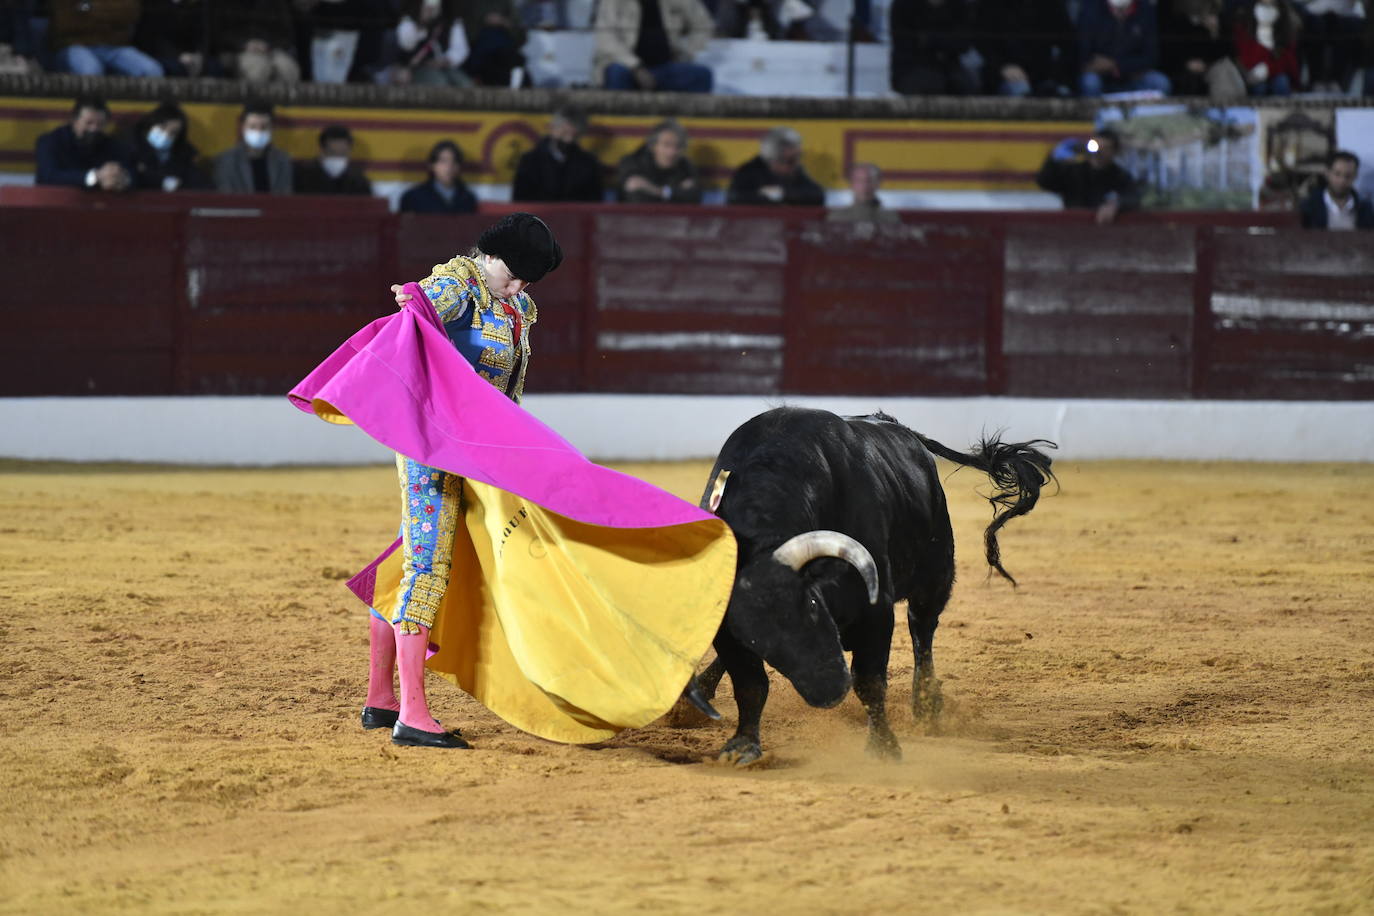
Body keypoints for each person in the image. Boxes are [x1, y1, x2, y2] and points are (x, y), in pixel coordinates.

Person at [365, 212, 564, 748]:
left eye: (527, 281)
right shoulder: (458, 284)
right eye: (515, 274)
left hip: (485, 455)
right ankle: (411, 715)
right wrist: (415, 298)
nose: (518, 288)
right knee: (427, 566)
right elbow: (420, 311)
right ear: (491, 257)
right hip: (432, 448)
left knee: (418, 556)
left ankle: (381, 699)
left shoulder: (517, 305)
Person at [592, 0, 714, 93]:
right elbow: (606, 39)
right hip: (627, 68)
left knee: (702, 75)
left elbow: (703, 25)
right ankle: (618, 125)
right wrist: (636, 67)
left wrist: (686, 52)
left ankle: (683, 125)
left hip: (666, 67)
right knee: (616, 73)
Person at [975, 0, 1078, 96]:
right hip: (1005, 76)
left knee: (1062, 92)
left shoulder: (1050, 4)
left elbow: (1068, 44)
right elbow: (982, 42)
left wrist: (1054, 75)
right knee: (1020, 88)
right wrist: (1002, 67)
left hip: (1045, 76)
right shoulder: (991, 5)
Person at [1035, 129, 1139, 224]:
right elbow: (1044, 182)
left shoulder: (1120, 176)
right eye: (1096, 146)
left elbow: (1133, 197)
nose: (1099, 152)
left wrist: (1116, 205)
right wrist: (1053, 159)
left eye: (1106, 148)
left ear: (1114, 152)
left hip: (1104, 228)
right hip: (1073, 227)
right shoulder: (1074, 171)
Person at [1077, 0, 1173, 97]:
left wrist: (1115, 65)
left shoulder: (1145, 8)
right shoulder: (1091, 7)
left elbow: (1151, 57)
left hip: (1132, 75)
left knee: (1160, 82)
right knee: (1090, 82)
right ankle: (1093, 112)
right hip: (1100, 76)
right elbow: (1083, 53)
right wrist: (1094, 65)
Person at [34, 94, 131, 191]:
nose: (94, 129)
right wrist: (95, 177)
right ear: (74, 121)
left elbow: (133, 173)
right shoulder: (50, 142)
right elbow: (49, 177)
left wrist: (122, 179)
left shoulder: (111, 145)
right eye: (89, 123)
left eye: (100, 124)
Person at [511, 106, 604, 203]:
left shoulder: (589, 164)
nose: (569, 139)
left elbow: (594, 205)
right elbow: (520, 203)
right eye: (564, 132)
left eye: (574, 135)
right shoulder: (529, 162)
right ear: (552, 128)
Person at [48, 0, 164, 76]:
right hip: (75, 46)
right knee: (91, 71)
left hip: (115, 47)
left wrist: (88, 9)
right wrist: (109, 13)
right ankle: (89, 112)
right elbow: (64, 24)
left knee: (152, 71)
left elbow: (130, 13)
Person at [888, 0, 980, 95]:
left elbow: (963, 44)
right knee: (931, 84)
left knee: (968, 86)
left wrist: (930, 40)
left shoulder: (957, 5)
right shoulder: (904, 4)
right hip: (911, 70)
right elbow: (906, 45)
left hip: (951, 70)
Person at [1160, 0, 1247, 99]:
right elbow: (1167, 51)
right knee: (1221, 72)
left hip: (1211, 66)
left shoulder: (1217, 19)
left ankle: (1233, 109)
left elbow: (1227, 53)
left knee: (1225, 68)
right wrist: (1185, 64)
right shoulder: (1172, 18)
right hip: (1181, 70)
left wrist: (1214, 33)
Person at [726, 126, 825, 207]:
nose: (793, 166)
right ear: (772, 157)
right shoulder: (749, 172)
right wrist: (766, 197)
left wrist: (782, 194)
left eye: (796, 158)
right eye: (788, 161)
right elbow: (735, 198)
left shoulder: (796, 173)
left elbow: (816, 195)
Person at [213, 100, 293, 194]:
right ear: (243, 128)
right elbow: (226, 198)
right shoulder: (226, 161)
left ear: (272, 128)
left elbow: (286, 196)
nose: (258, 132)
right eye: (252, 126)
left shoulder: (283, 161)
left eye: (264, 127)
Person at [613, 119, 702, 204]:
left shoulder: (686, 167)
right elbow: (637, 199)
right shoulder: (632, 163)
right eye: (666, 145)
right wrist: (675, 193)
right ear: (653, 146)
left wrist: (657, 191)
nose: (672, 152)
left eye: (678, 146)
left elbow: (693, 198)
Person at [128, 101, 210, 192]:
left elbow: (202, 184)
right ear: (150, 124)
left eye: (173, 133)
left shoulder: (183, 156)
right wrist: (162, 182)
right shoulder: (130, 149)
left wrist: (180, 185)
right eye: (162, 127)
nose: (166, 135)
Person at [212, 0, 302, 83]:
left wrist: (268, 46)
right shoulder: (227, 3)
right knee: (259, 68)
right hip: (241, 51)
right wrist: (245, 45)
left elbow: (286, 35)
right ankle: (256, 100)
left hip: (273, 49)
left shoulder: (276, 3)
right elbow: (220, 34)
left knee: (287, 69)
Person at [1232, 0, 1301, 95]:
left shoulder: (1286, 23)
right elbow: (1247, 60)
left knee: (1281, 82)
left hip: (1277, 73)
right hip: (1251, 75)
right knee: (1260, 87)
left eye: (1271, 6)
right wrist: (1262, 28)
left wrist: (1268, 69)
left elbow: (1287, 61)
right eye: (1263, 6)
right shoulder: (1245, 22)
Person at [1299, 150, 1374, 230]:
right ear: (1327, 173)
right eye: (1337, 174)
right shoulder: (1308, 207)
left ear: (1355, 176)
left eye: (1348, 176)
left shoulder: (1365, 209)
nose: (1342, 180)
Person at [399, 139, 478, 213]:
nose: (449, 167)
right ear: (432, 165)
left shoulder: (468, 198)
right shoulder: (413, 198)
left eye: (454, 161)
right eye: (443, 161)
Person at [295, 124, 373, 195]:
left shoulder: (359, 180)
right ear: (322, 150)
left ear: (349, 151)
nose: (337, 158)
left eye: (342, 154)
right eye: (332, 153)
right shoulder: (303, 176)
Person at [827, 162, 900, 223]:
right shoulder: (838, 218)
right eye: (859, 181)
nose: (864, 185)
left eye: (869, 181)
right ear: (851, 184)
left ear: (877, 184)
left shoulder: (890, 218)